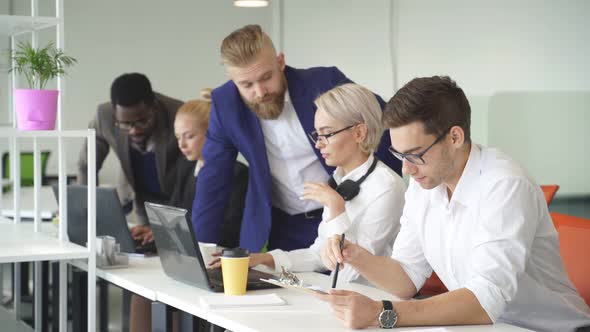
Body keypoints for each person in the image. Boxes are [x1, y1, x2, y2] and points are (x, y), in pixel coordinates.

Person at [319, 76, 590, 331]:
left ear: (455, 137)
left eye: (415, 154)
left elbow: (486, 299)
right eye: (399, 155)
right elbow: (406, 278)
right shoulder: (424, 182)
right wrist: (355, 256)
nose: (406, 170)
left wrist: (384, 312)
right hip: (481, 326)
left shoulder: (505, 184)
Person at [192, 24, 402, 253]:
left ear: (280, 62)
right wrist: (200, 250)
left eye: (266, 77)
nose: (260, 92)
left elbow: (384, 124)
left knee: (344, 278)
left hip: (344, 210)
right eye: (247, 85)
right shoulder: (225, 105)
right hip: (282, 225)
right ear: (233, 81)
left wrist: (389, 192)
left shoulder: (324, 82)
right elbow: (213, 182)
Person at [244, 83, 405, 284]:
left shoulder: (388, 188)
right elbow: (320, 254)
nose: (318, 144)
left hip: (374, 301)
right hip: (344, 296)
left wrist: (336, 209)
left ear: (358, 133)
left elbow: (350, 269)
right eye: (317, 135)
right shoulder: (338, 180)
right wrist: (266, 260)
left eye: (326, 134)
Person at [130, 90, 249, 332]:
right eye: (178, 137)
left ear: (213, 134)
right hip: (186, 260)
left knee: (167, 298)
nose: (181, 145)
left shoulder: (238, 174)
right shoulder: (186, 169)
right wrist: (156, 230)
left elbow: (229, 232)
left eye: (190, 136)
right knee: (141, 294)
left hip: (217, 263)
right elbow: (175, 212)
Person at [77, 72, 194, 245]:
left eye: (142, 121)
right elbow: (87, 165)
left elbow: (190, 181)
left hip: (176, 202)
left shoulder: (178, 114)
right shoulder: (104, 116)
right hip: (142, 202)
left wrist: (168, 228)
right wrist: (84, 212)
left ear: (154, 106)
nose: (134, 130)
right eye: (125, 124)